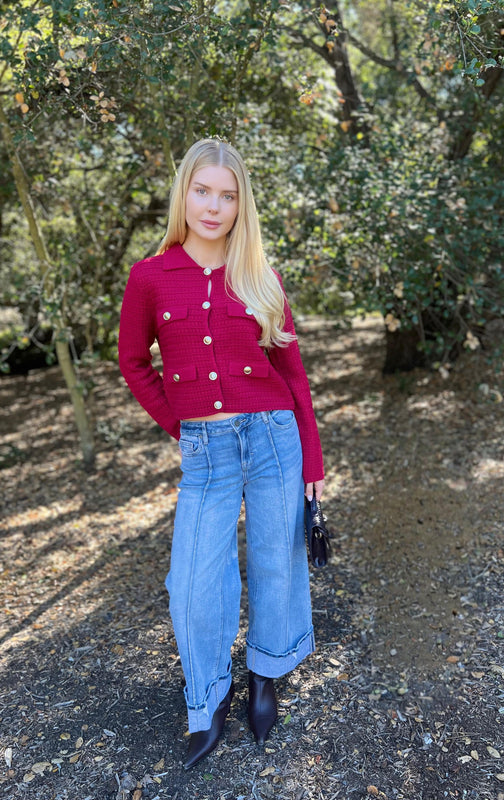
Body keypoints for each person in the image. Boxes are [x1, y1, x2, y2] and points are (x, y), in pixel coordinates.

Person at [118, 138, 325, 770]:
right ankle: (207, 696)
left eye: (227, 195)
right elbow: (132, 363)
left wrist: (312, 466)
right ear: (184, 194)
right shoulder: (150, 276)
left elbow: (293, 375)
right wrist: (180, 427)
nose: (214, 206)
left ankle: (266, 673)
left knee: (275, 562)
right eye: (203, 191)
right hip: (205, 450)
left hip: (273, 438)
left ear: (242, 204)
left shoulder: (260, 274)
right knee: (194, 581)